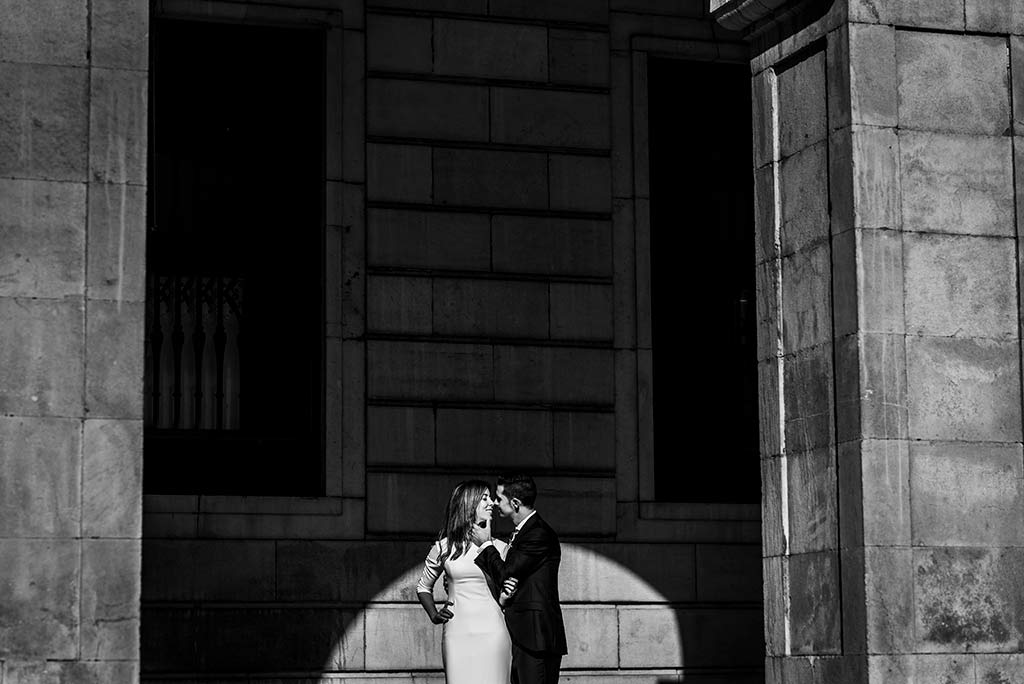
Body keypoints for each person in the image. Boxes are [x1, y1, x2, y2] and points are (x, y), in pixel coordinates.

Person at [416, 480, 514, 684]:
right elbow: (423, 587)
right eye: (484, 498)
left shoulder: (500, 548)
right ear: (469, 504)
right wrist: (433, 614)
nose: (492, 503)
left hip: (493, 632)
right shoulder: (444, 547)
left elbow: (509, 588)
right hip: (457, 633)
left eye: (491, 498)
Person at [473, 474, 567, 684]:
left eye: (499, 498)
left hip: (536, 637)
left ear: (515, 503)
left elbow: (507, 572)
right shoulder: (523, 532)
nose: (495, 503)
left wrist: (486, 544)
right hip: (523, 634)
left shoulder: (538, 533)